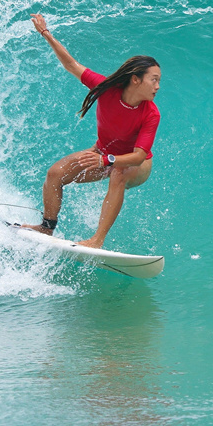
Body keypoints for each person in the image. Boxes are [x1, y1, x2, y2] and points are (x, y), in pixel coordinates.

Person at [23, 13, 161, 249]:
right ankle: (47, 227)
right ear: (136, 80)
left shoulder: (151, 113)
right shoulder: (106, 88)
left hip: (135, 164)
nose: (158, 87)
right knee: (55, 174)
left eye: (159, 81)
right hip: (101, 154)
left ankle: (97, 240)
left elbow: (139, 156)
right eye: (154, 80)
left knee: (119, 172)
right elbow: (71, 64)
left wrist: (107, 160)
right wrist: (46, 33)